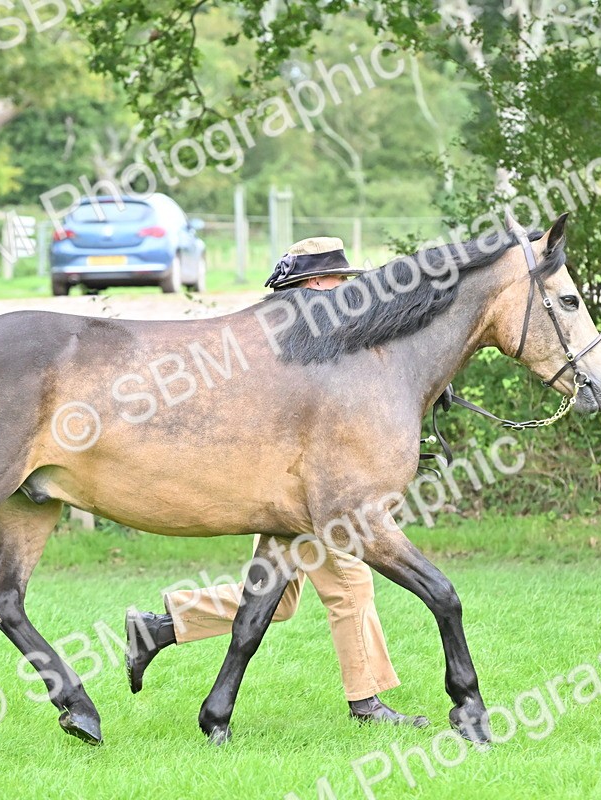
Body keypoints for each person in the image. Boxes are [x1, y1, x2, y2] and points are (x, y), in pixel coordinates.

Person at [124, 237, 427, 726]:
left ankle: (159, 628)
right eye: (334, 280)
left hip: (294, 490)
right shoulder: (301, 337)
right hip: (301, 490)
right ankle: (366, 703)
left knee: (279, 600)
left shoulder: (308, 333)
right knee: (351, 584)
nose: (343, 289)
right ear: (312, 285)